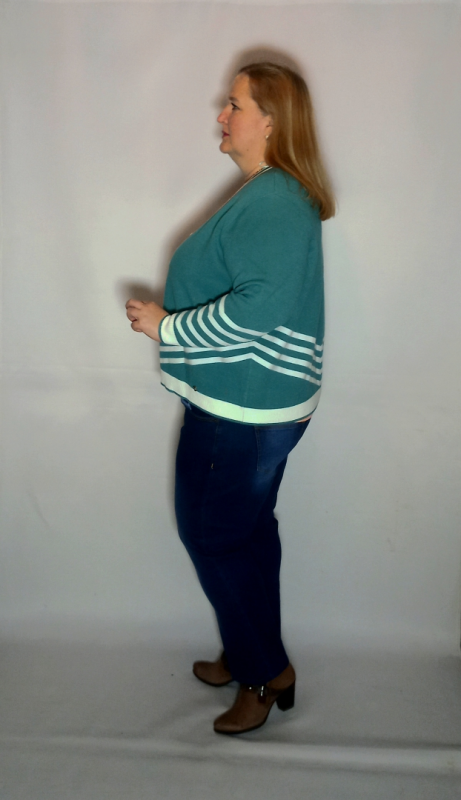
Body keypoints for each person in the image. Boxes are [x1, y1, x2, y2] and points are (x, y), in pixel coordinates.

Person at [126, 61, 335, 735]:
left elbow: (257, 311)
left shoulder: (275, 201)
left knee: (213, 536)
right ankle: (253, 649)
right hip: (249, 405)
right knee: (245, 534)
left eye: (236, 105)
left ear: (272, 122)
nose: (222, 114)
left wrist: (167, 326)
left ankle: (262, 673)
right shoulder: (274, 192)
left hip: (240, 413)